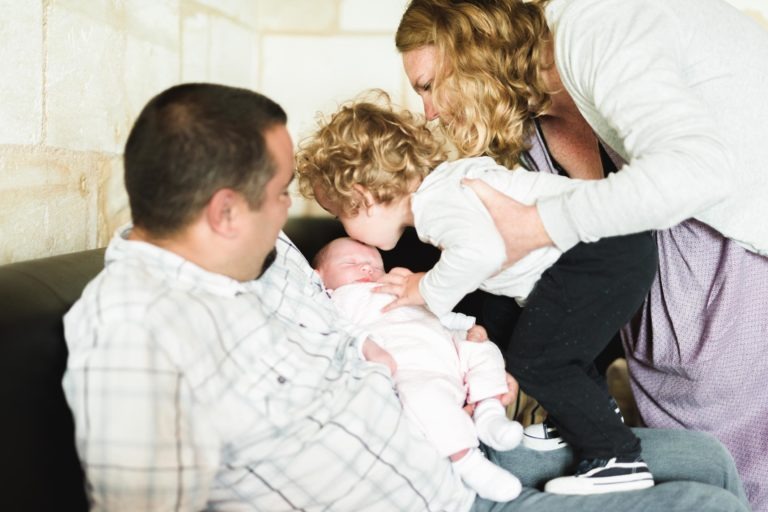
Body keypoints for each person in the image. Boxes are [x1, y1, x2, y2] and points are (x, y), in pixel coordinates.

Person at [61, 82, 751, 511]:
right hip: (436, 495)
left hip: (448, 439)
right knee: (704, 502)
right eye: (279, 196)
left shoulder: (268, 261)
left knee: (707, 459)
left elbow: (380, 335)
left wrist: (457, 360)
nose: (289, 213)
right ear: (223, 212)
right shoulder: (137, 330)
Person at [395, 0, 768, 508]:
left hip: (742, 256)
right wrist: (482, 348)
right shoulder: (526, 127)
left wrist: (538, 224)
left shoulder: (598, 26)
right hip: (658, 331)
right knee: (697, 463)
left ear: (473, 50)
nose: (430, 112)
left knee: (747, 468)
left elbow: (696, 170)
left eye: (427, 84)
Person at [296, 95, 660, 494]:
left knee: (537, 359)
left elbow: (483, 252)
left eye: (340, 215)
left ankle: (615, 456)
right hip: (608, 244)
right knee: (521, 330)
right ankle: (584, 412)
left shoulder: (435, 207)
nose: (343, 229)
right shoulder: (448, 183)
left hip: (596, 252)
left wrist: (425, 288)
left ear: (364, 198)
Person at [314, 236, 524, 501]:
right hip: (411, 364)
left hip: (447, 345)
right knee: (421, 396)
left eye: (374, 265)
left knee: (483, 350)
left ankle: (490, 413)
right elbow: (341, 335)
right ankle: (468, 462)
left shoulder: (392, 284)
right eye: (351, 263)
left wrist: (470, 326)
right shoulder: (333, 302)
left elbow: (438, 312)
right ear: (318, 275)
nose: (367, 269)